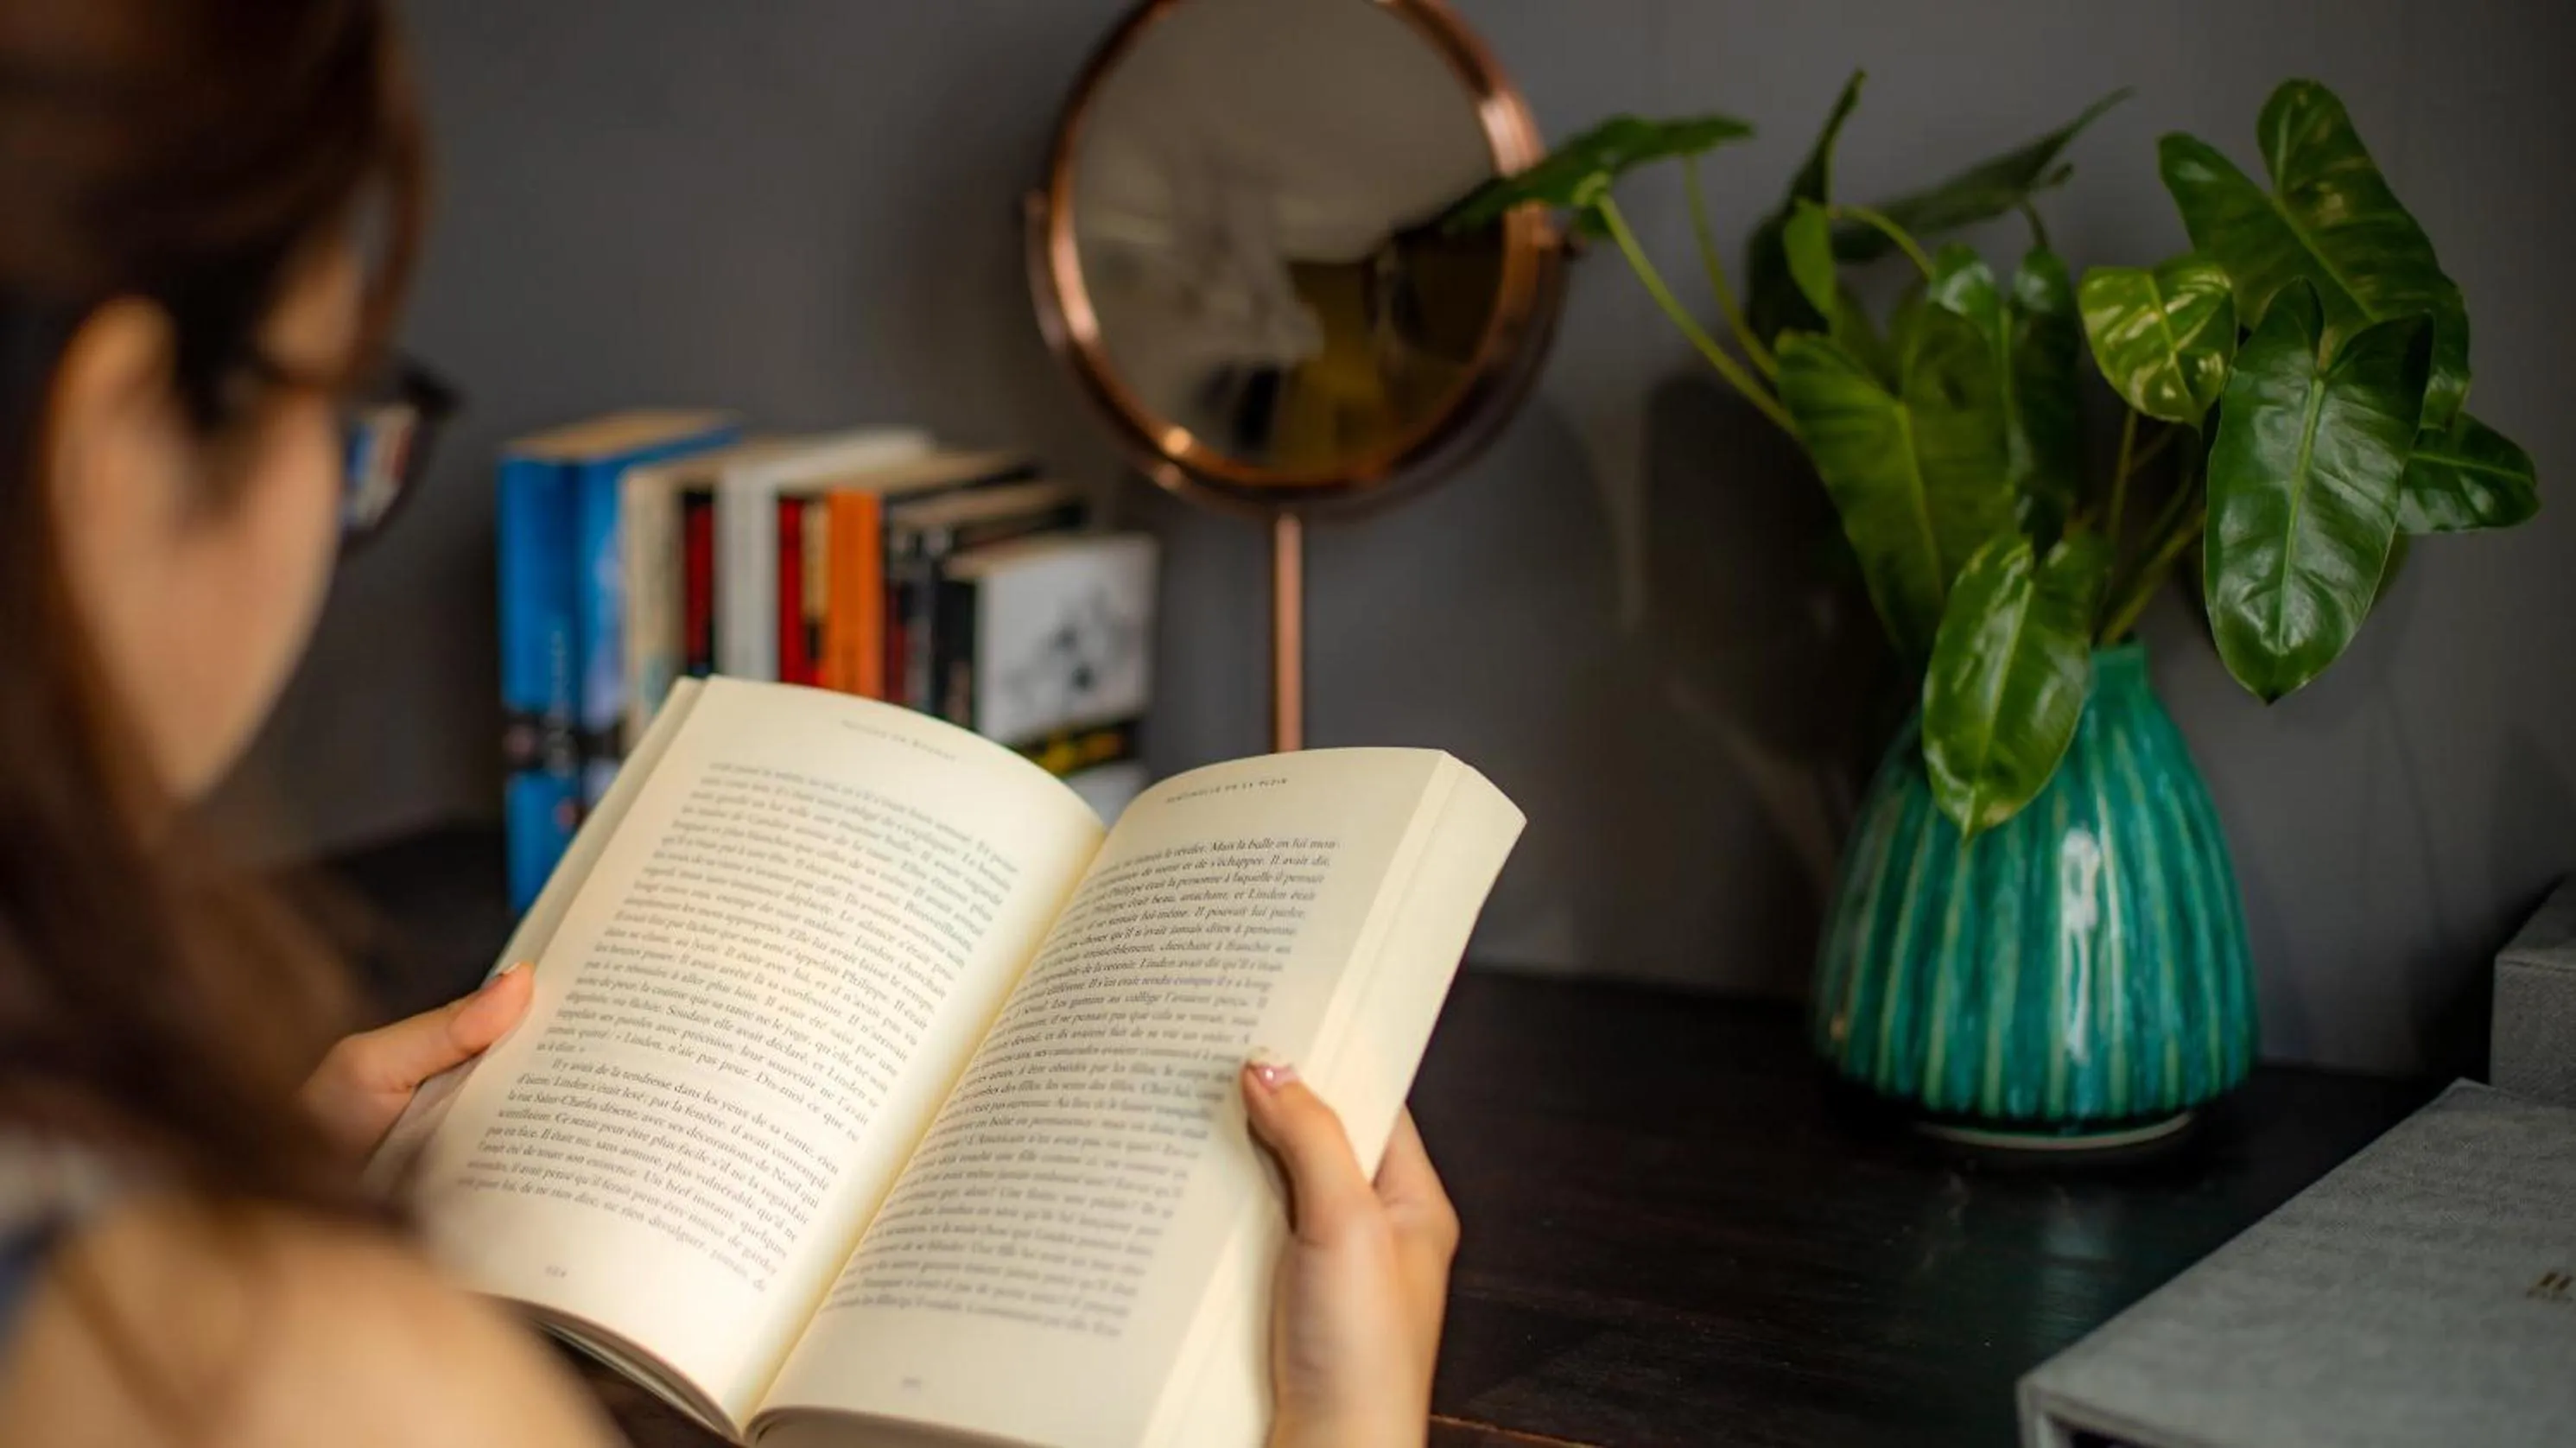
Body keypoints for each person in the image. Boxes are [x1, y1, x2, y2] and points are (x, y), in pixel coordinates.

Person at [0, 3, 1457, 1445]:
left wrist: (248, 1201)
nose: (330, 501)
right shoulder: (269, 1380)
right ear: (113, 446)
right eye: (340, 408)